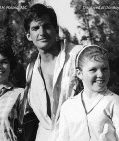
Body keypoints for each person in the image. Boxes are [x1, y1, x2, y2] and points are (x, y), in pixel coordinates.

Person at [24, 3, 82, 141]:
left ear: (56, 29)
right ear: (28, 36)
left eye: (47, 26)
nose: (42, 33)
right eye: (35, 28)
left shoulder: (78, 55)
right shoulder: (30, 70)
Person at [57, 45, 119, 141]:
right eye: (93, 70)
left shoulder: (115, 103)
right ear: (79, 73)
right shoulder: (68, 106)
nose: (100, 74)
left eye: (104, 69)